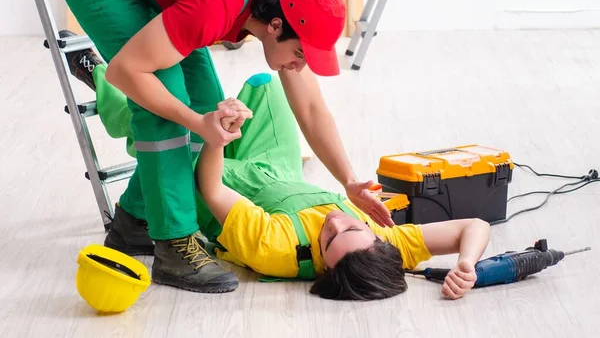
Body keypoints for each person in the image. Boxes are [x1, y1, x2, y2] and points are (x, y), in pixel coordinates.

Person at [58, 0, 394, 294]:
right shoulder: (218, 3)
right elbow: (125, 72)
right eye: (300, 54)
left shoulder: (286, 1)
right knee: (167, 101)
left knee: (206, 106)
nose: (300, 66)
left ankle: (135, 220)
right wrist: (192, 121)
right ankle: (173, 245)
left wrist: (350, 180)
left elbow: (311, 107)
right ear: (274, 26)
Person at [65, 53, 491, 301]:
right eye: (352, 224)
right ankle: (220, 114)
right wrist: (466, 263)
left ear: (321, 268)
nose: (335, 220)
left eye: (328, 238)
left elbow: (211, 188)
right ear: (377, 239)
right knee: (265, 83)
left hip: (223, 181)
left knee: (169, 134)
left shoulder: (275, 249)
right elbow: (473, 226)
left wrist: (215, 133)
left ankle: (108, 80)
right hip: (279, 168)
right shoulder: (382, 246)